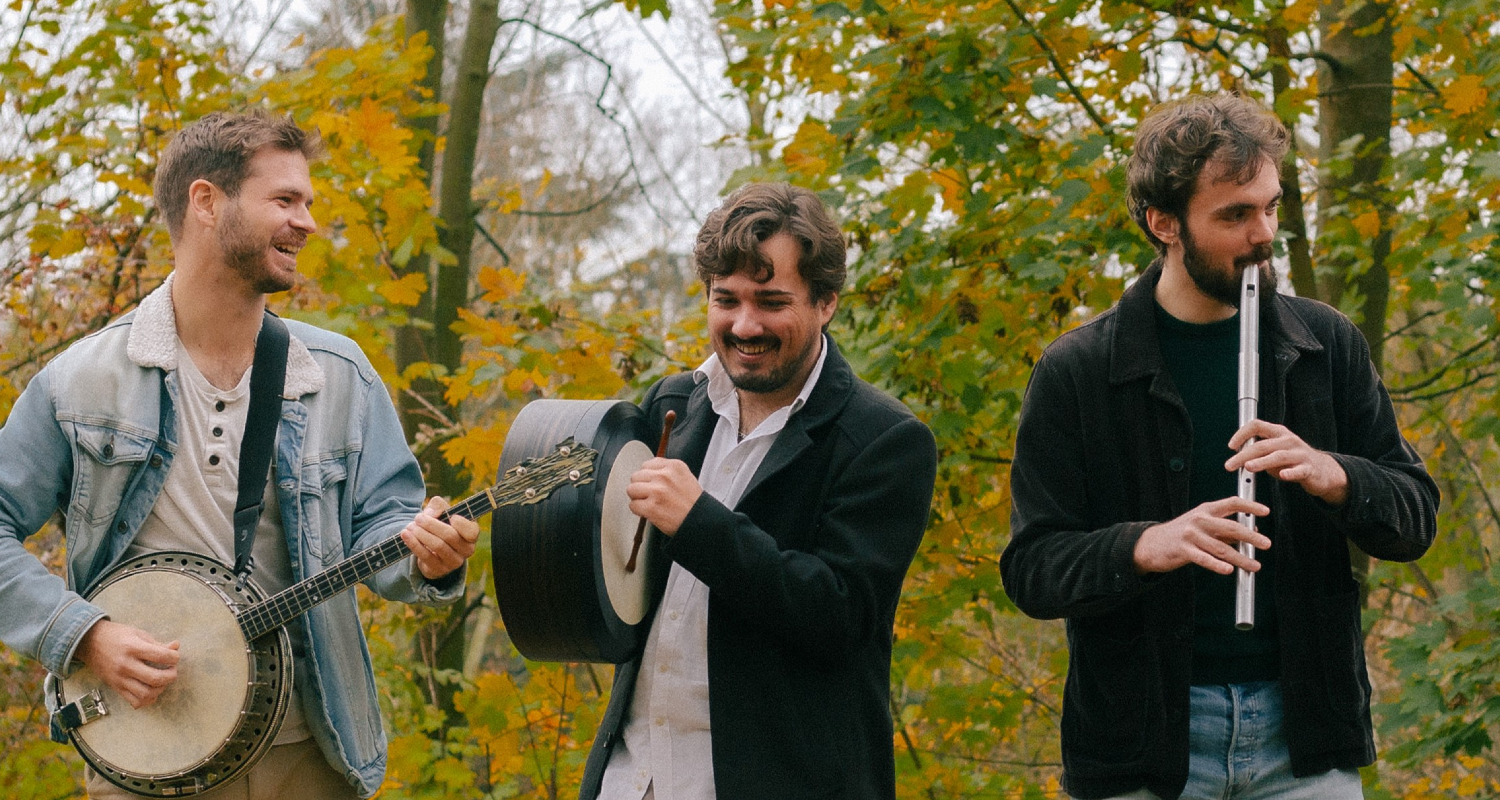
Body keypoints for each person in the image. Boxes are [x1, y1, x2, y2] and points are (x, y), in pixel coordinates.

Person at [0, 111, 480, 798]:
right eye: (285, 200)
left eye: (307, 202)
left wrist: (426, 557)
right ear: (205, 202)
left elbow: (384, 527)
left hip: (309, 753)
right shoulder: (83, 380)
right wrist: (83, 634)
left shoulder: (340, 375)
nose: (307, 222)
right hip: (146, 755)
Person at [1001, 94, 1441, 800]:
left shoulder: (1325, 345)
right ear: (1163, 223)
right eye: (1234, 216)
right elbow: (1031, 569)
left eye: (1269, 207)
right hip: (1144, 746)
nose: (1262, 234)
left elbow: (1417, 515)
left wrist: (1338, 476)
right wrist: (1146, 545)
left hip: (1302, 736)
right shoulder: (1078, 371)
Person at [578, 182, 938, 800]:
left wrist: (698, 524)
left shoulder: (884, 441)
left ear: (825, 302)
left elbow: (839, 615)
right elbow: (608, 565)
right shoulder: (672, 405)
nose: (745, 325)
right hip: (633, 778)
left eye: (772, 302)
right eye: (727, 300)